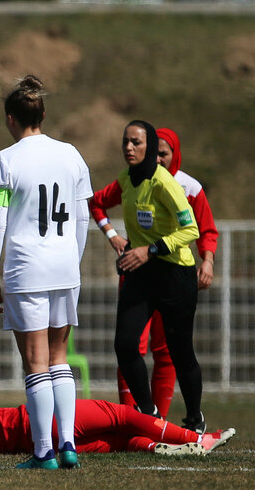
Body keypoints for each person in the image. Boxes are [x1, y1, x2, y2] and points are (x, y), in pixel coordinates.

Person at [0, 75, 93, 469]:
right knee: (60, 356)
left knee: (35, 362)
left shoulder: (5, 160)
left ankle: (44, 450)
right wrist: (73, 261)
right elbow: (83, 217)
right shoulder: (72, 154)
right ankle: (68, 446)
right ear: (43, 114)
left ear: (11, 119)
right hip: (65, 267)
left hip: (26, 269)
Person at [90, 126, 218, 418]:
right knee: (126, 344)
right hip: (140, 272)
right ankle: (144, 414)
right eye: (126, 142)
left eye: (163, 153)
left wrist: (206, 260)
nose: (129, 148)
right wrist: (113, 236)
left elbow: (198, 229)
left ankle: (193, 417)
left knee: (176, 352)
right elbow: (96, 203)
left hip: (175, 273)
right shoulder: (126, 180)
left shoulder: (179, 185)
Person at [0, 371, 233, 458]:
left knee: (118, 442)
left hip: (33, 441)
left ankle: (161, 449)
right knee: (121, 416)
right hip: (37, 421)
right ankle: (196, 439)